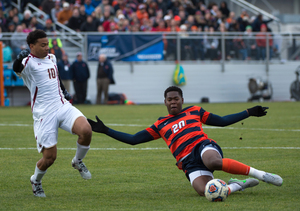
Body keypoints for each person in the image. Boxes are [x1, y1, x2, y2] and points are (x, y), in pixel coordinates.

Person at [88, 86, 283, 198]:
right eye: (169, 99)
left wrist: (248, 112)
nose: (173, 102)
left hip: (202, 147)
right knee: (208, 192)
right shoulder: (160, 124)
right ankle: (237, 185)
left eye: (176, 98)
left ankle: (262, 175)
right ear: (165, 102)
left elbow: (222, 122)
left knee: (212, 161)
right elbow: (133, 140)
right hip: (188, 162)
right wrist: (105, 130)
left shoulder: (195, 111)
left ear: (182, 99)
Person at [12, 29, 92, 197]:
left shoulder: (52, 58)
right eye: (43, 45)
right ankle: (36, 180)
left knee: (86, 130)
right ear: (32, 46)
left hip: (61, 105)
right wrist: (19, 57)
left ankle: (77, 161)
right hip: (44, 114)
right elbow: (16, 69)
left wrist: (64, 91)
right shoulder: (28, 62)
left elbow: (56, 77)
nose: (47, 48)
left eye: (47, 44)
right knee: (50, 158)